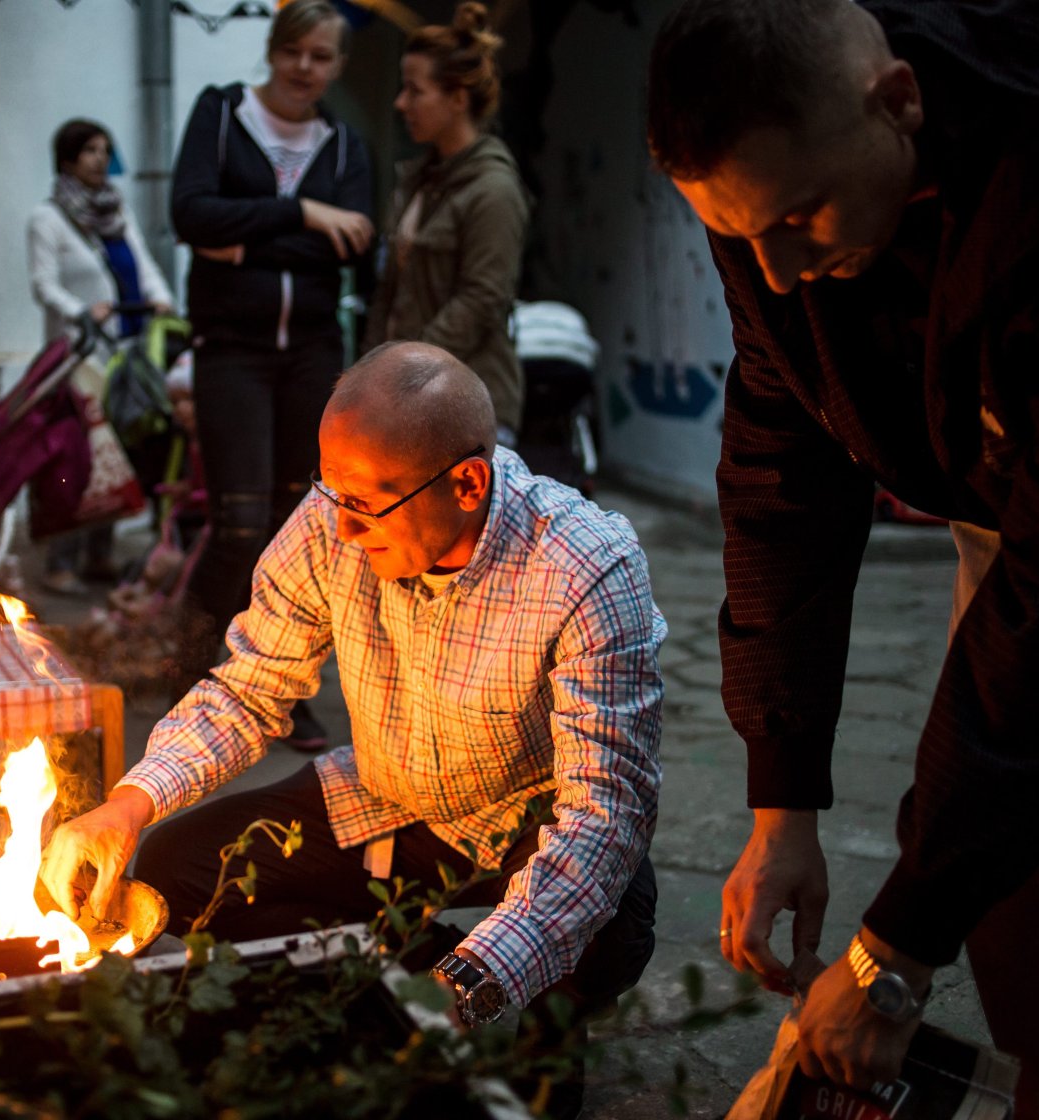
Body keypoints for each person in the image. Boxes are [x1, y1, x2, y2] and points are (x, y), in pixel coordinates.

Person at [644, 2, 1039, 1117]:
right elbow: (782, 475)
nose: (777, 271)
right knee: (972, 770)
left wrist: (892, 961)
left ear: (898, 100)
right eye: (739, 233)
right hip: (1009, 460)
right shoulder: (775, 189)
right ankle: (1038, 1090)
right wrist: (782, 804)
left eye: (801, 218)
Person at [42, 342, 664, 1115]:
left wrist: (469, 985)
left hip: (528, 828)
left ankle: (464, 1002)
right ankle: (382, 973)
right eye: (327, 491)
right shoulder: (332, 516)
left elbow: (603, 821)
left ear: (467, 483)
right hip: (390, 802)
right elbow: (249, 688)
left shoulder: (585, 568)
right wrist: (127, 804)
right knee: (175, 867)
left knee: (570, 974)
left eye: (364, 507)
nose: (338, 528)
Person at [169, 0, 375, 748]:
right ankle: (189, 669)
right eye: (294, 52)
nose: (304, 69)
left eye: (321, 58)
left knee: (302, 530)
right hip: (233, 350)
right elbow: (191, 214)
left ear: (337, 66)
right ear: (273, 49)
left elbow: (356, 248)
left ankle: (283, 690)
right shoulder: (223, 116)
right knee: (240, 524)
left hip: (312, 355)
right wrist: (303, 217)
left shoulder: (346, 144)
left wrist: (246, 238)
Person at [364, 1, 528, 447]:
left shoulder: (493, 188)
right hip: (406, 401)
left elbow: (482, 298)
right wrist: (369, 376)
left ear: (457, 98)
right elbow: (388, 290)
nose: (401, 103)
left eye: (415, 91)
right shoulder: (418, 179)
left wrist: (405, 372)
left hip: (467, 407)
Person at [28, 118, 175, 594]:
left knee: (119, 453)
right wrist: (81, 311)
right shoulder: (46, 219)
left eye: (105, 150)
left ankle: (99, 556)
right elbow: (43, 284)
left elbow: (141, 262)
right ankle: (60, 561)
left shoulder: (116, 211)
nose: (99, 159)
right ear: (68, 158)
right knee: (78, 457)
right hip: (80, 355)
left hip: (126, 352)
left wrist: (162, 297)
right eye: (90, 150)